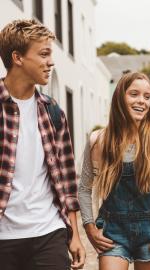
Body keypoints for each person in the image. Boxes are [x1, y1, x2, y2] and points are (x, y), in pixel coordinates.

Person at [79, 71, 150, 270]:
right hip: (112, 233)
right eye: (134, 94)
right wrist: (89, 228)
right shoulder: (99, 141)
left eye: (147, 97)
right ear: (119, 97)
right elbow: (84, 189)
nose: (142, 101)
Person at [0, 19, 85, 269]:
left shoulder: (53, 111)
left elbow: (68, 179)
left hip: (49, 233)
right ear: (18, 57)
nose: (51, 61)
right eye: (44, 53)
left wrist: (75, 235)